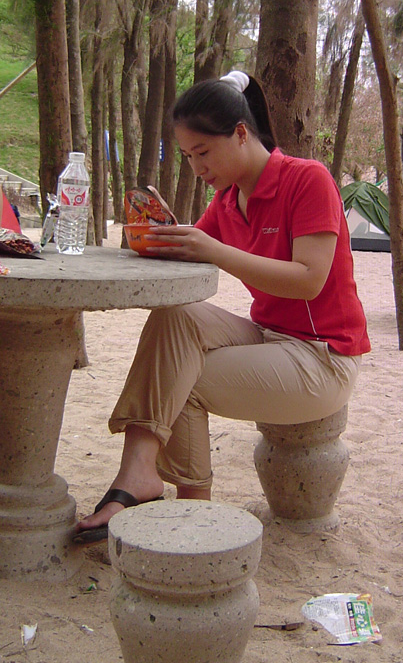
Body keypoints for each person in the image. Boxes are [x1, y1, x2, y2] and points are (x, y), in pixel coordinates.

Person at [74, 70, 370, 543]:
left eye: (204, 152)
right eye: (188, 157)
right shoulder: (229, 200)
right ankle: (141, 475)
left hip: (323, 355)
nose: (197, 167)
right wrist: (154, 233)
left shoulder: (306, 179)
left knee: (181, 377)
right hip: (269, 337)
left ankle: (193, 507)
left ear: (241, 133)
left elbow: (309, 280)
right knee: (176, 316)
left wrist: (214, 250)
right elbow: (191, 252)